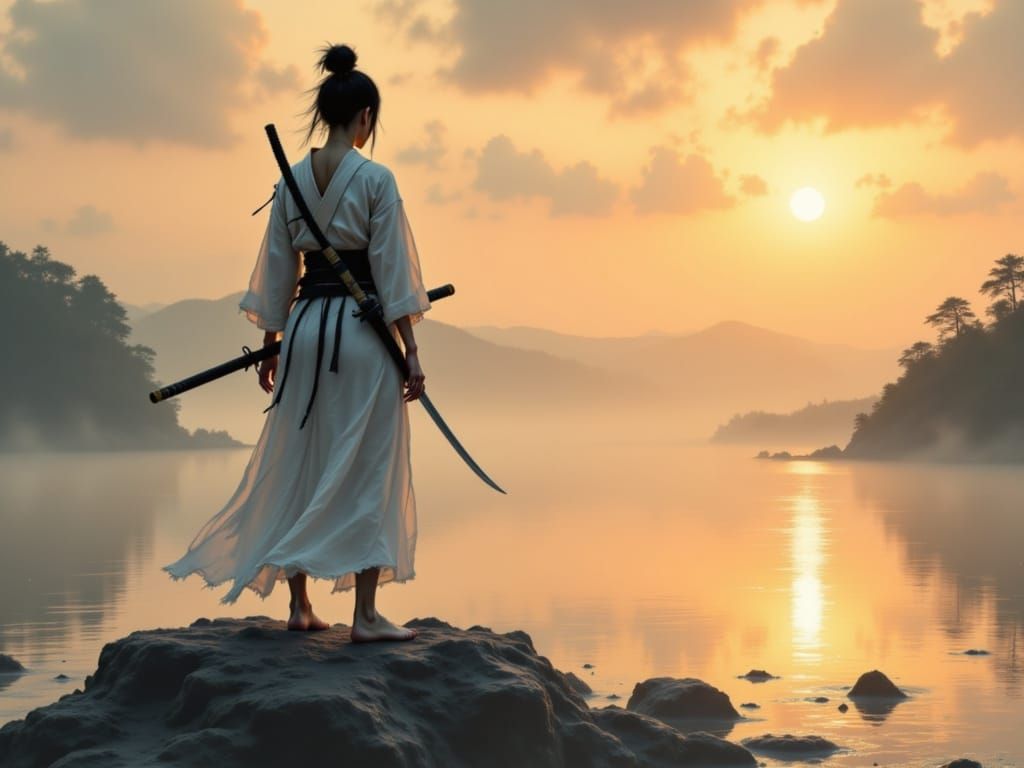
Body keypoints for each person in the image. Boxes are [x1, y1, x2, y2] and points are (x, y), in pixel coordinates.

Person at [163, 44, 430, 643]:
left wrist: (273, 341)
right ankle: (364, 616)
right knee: (368, 463)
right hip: (362, 334)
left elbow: (278, 270)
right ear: (365, 116)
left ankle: (300, 607)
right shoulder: (376, 179)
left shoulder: (292, 181)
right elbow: (392, 274)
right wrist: (410, 350)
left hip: (307, 328)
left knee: (301, 457)